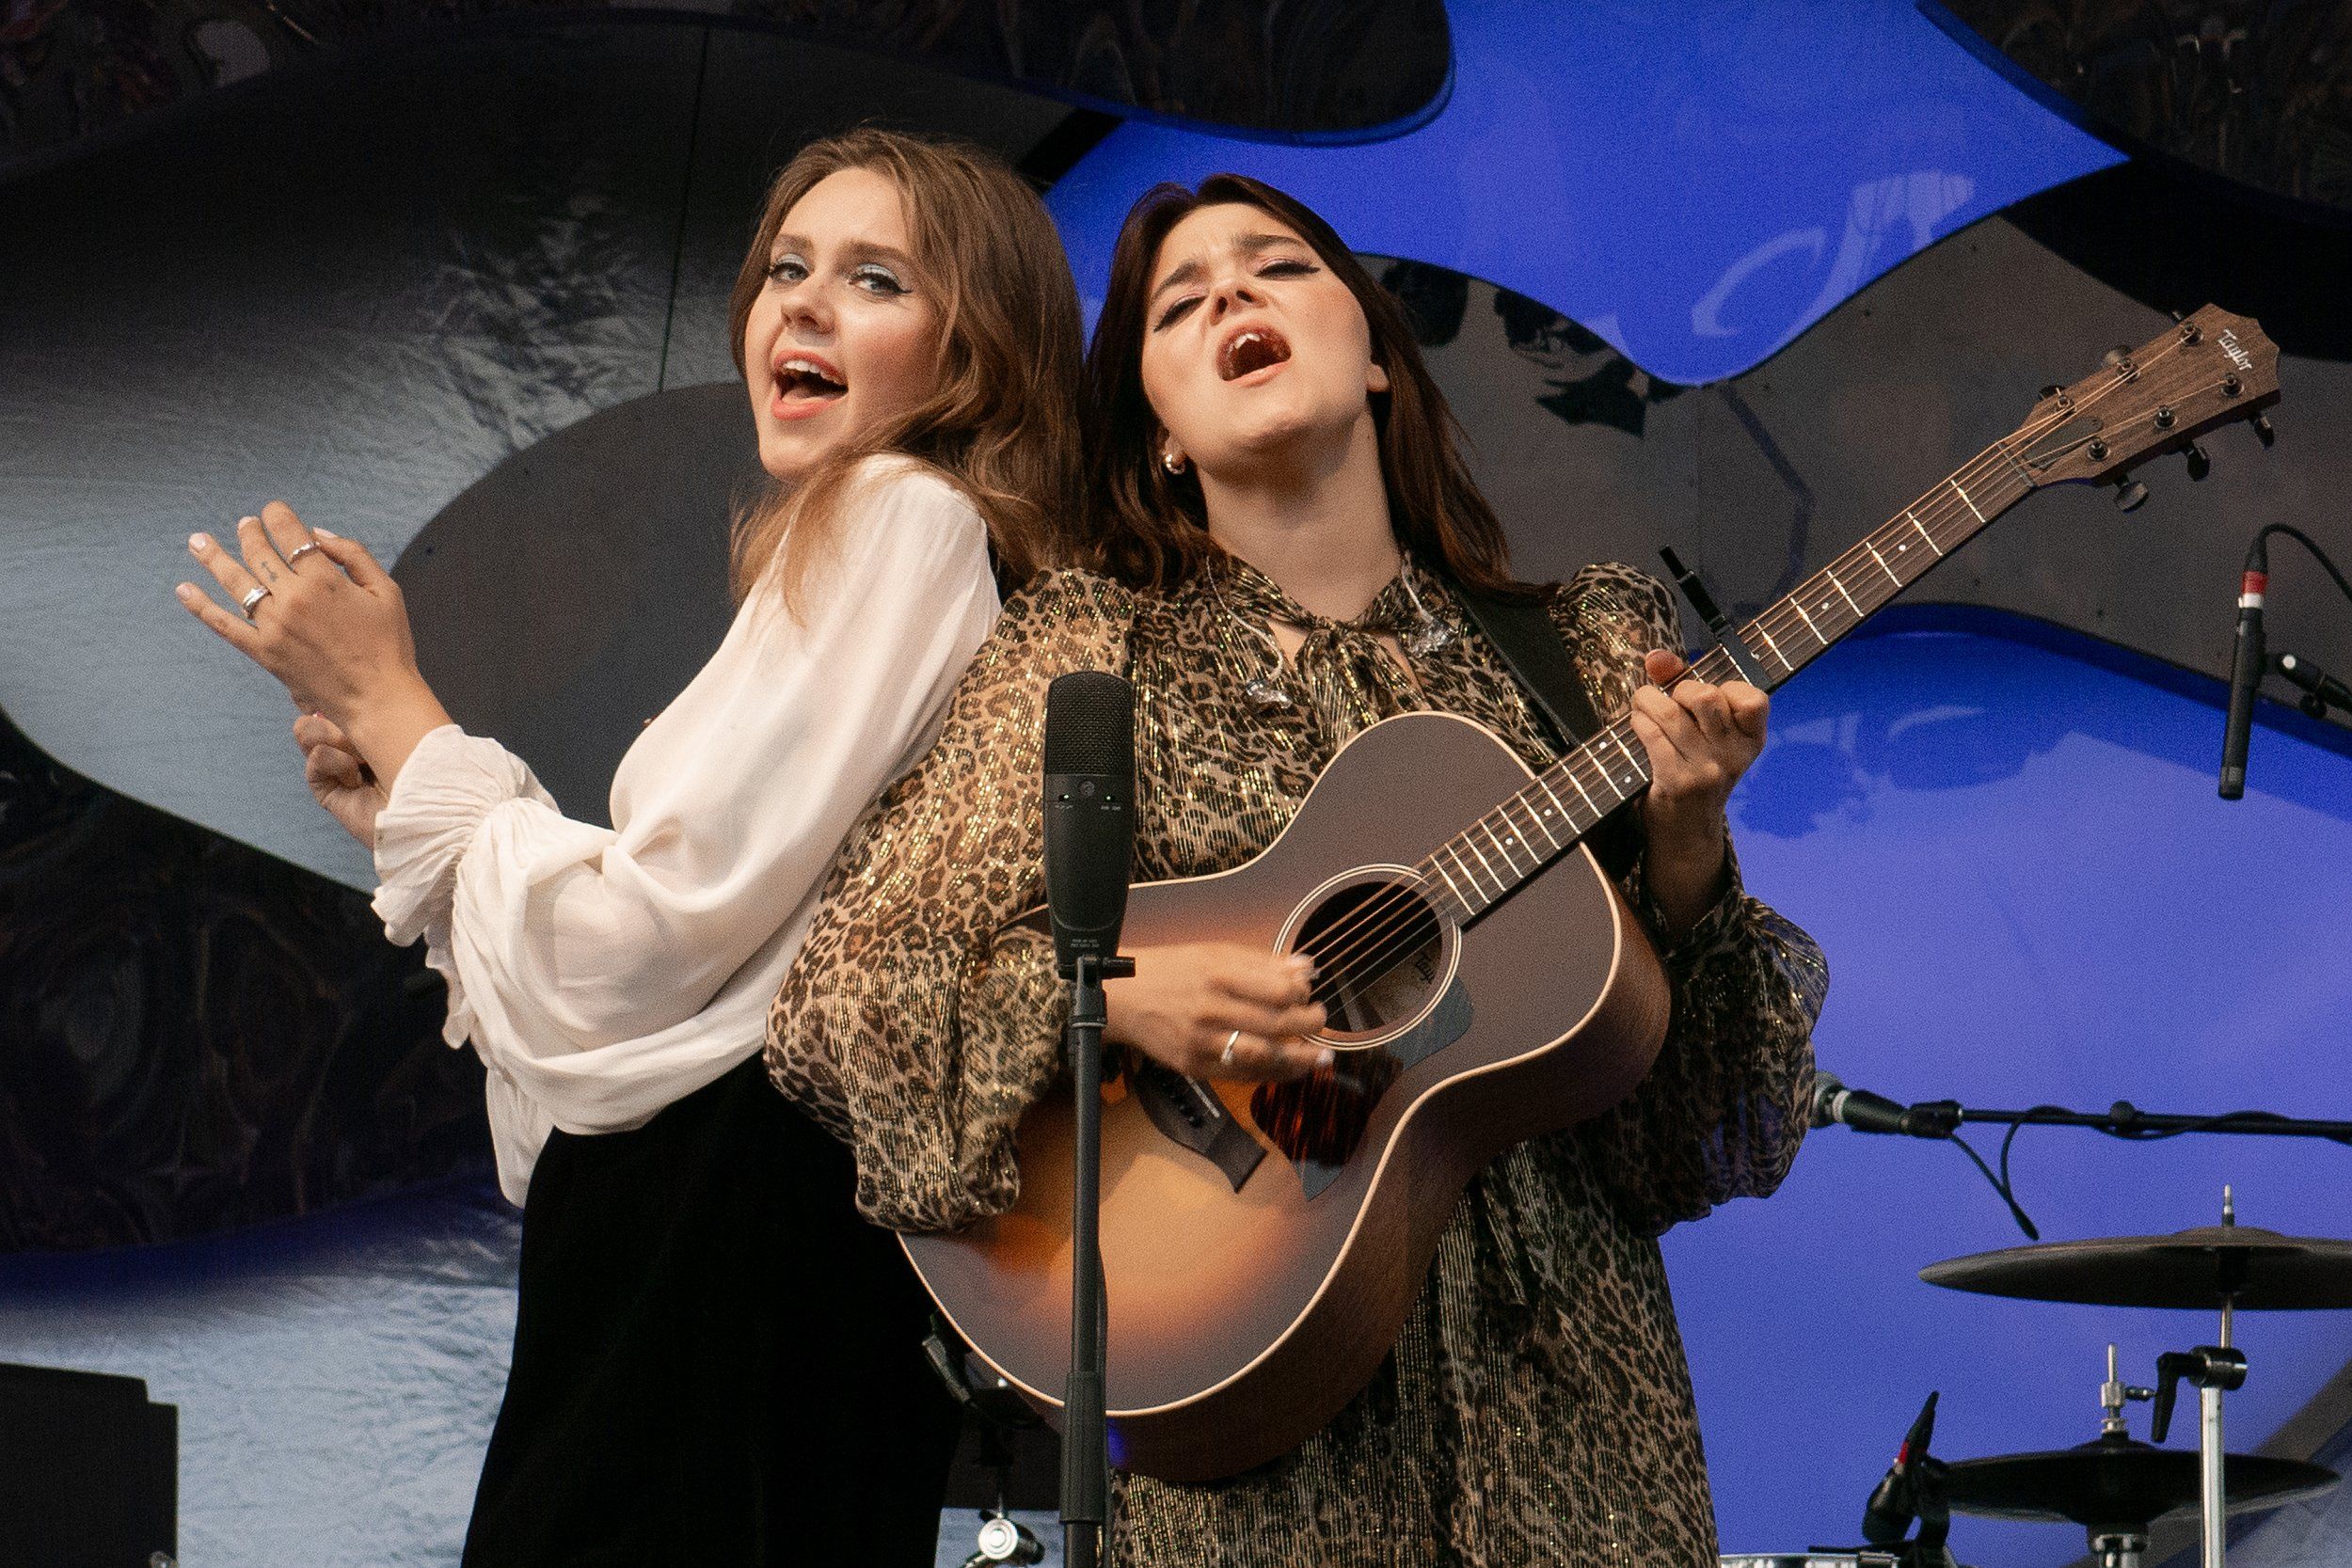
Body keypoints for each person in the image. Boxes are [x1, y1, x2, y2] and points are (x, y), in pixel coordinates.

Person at [764, 171, 1829, 1565]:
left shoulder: (1576, 655)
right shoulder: (1096, 657)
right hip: (1253, 1483)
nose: (1231, 297)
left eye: (1276, 267)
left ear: (1377, 354)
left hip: (1579, 1457)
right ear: (1158, 429)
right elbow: (839, 1002)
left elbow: (1700, 1142)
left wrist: (1689, 854)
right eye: (1180, 303)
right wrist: (1117, 995)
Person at [171, 129, 1088, 1566]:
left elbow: (629, 959)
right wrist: (418, 808)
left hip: (726, 1251)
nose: (802, 302)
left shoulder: (903, 515)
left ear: (978, 353)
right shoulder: (883, 550)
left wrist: (400, 712)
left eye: (876, 279)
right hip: (728, 1254)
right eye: (786, 267)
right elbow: (638, 994)